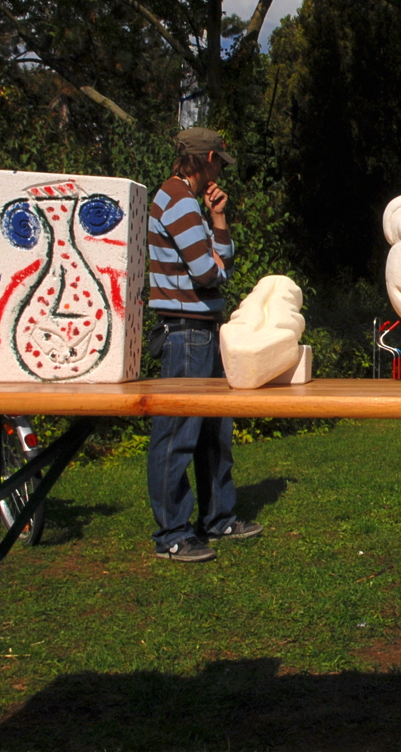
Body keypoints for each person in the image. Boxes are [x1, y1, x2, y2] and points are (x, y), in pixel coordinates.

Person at [147, 127, 262, 562]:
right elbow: (208, 273)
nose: (219, 172)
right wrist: (214, 261)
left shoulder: (191, 205)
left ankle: (217, 518)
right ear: (208, 157)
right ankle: (172, 534)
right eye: (219, 163)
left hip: (203, 329)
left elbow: (223, 262)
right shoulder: (175, 199)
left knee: (215, 432)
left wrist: (217, 220)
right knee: (177, 434)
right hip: (185, 332)